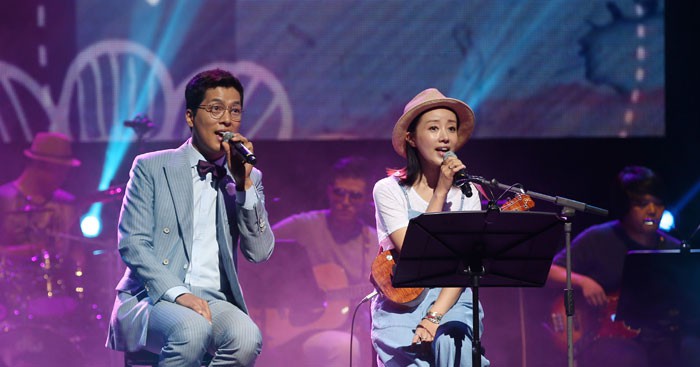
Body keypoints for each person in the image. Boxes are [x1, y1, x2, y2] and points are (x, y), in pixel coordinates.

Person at [106, 68, 275, 366]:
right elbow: (133, 243)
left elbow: (259, 253)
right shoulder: (152, 167)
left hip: (215, 300)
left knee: (247, 338)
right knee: (191, 328)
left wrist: (243, 185)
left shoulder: (249, 177)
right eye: (215, 109)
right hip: (154, 295)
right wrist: (179, 294)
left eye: (235, 111)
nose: (227, 120)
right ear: (189, 117)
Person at [370, 88, 490, 366]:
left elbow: (463, 269)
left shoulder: (468, 192)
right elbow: (415, 250)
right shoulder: (388, 190)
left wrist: (435, 317)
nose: (445, 137)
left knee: (452, 342)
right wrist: (440, 194)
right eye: (434, 128)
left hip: (453, 300)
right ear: (411, 138)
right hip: (402, 303)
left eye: (451, 128)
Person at [547, 165, 700, 367]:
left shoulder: (673, 248)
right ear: (625, 205)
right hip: (603, 337)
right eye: (642, 204)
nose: (652, 211)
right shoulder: (598, 238)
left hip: (657, 335)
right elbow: (550, 270)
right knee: (628, 358)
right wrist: (584, 282)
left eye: (658, 203)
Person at [263, 156, 377, 366]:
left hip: (346, 327)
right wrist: (276, 294)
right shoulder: (304, 225)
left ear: (365, 200)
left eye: (354, 196)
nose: (345, 202)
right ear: (329, 191)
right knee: (346, 347)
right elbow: (255, 247)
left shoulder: (373, 241)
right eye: (339, 193)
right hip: (295, 327)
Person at [0, 131, 88, 366]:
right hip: (10, 300)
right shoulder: (4, 199)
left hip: (59, 298)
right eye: (60, 169)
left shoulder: (66, 203)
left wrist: (80, 284)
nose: (64, 175)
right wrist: (26, 251)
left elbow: (77, 249)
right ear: (40, 165)